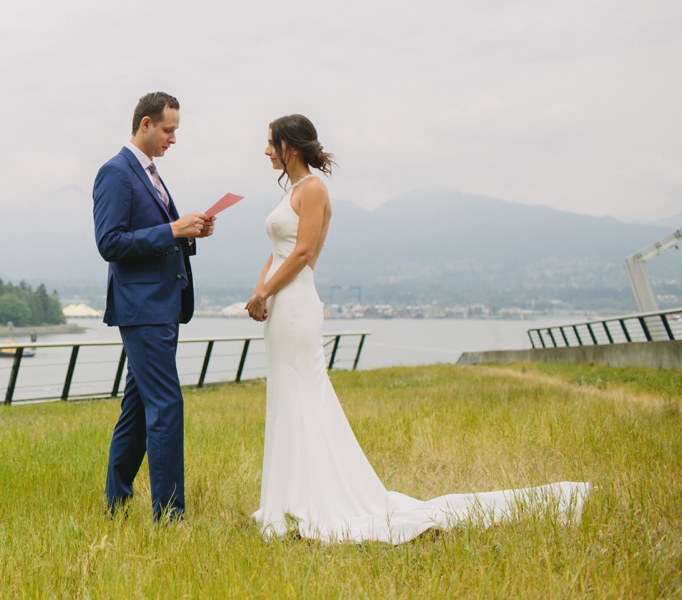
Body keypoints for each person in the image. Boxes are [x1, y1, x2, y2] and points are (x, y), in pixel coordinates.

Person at [246, 113, 588, 544]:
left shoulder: (313, 189)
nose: (265, 150)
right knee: (285, 397)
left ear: (289, 147)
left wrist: (268, 294)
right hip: (279, 306)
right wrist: (259, 293)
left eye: (269, 143)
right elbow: (276, 252)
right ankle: (286, 497)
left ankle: (317, 500)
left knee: (304, 395)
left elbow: (302, 254)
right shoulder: (291, 192)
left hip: (297, 306)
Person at [93, 91, 215, 523]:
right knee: (167, 405)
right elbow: (110, 243)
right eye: (168, 130)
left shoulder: (150, 173)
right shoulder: (115, 172)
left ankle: (116, 503)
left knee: (139, 408)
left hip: (163, 303)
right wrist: (171, 229)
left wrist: (188, 232)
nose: (173, 139)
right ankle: (169, 516)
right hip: (142, 308)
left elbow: (159, 234)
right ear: (145, 124)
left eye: (176, 131)